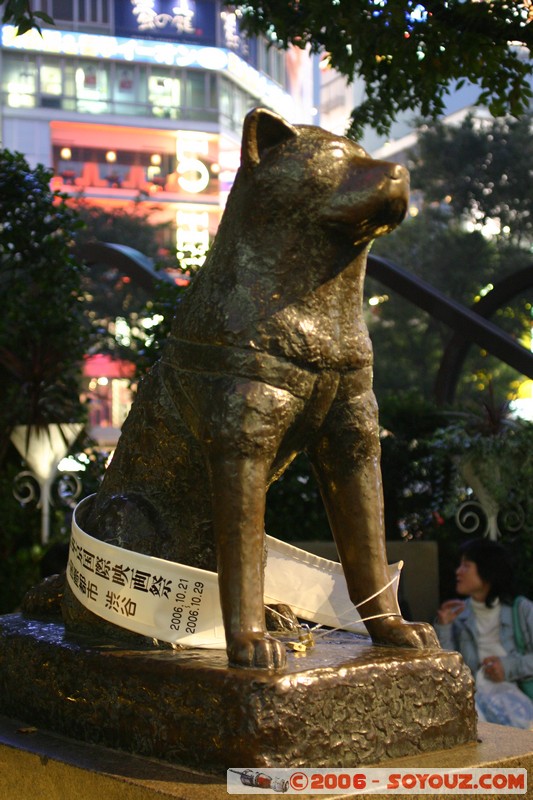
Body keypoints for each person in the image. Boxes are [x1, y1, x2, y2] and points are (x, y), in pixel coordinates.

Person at [435, 538, 533, 729]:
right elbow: (448, 671)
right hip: (477, 700)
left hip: (517, 698)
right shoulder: (458, 615)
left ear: (487, 571)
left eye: (466, 566)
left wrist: (507, 667)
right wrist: (444, 626)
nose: (458, 572)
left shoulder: (522, 610)